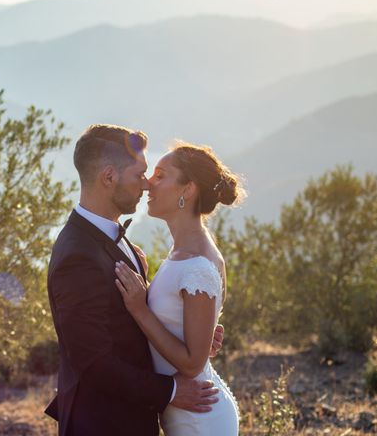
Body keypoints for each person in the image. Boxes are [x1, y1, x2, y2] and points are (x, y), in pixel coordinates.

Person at [45, 125, 224, 436]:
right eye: (139, 175)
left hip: (133, 418)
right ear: (109, 177)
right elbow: (93, 362)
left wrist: (187, 332)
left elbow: (130, 326)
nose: (145, 185)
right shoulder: (77, 256)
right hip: (102, 423)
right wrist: (169, 390)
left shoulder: (118, 240)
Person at [114, 141, 242, 435]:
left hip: (199, 420)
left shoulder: (198, 263)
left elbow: (192, 363)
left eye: (160, 176)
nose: (148, 184)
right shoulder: (183, 252)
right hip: (186, 413)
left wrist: (139, 308)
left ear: (188, 189)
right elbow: (183, 327)